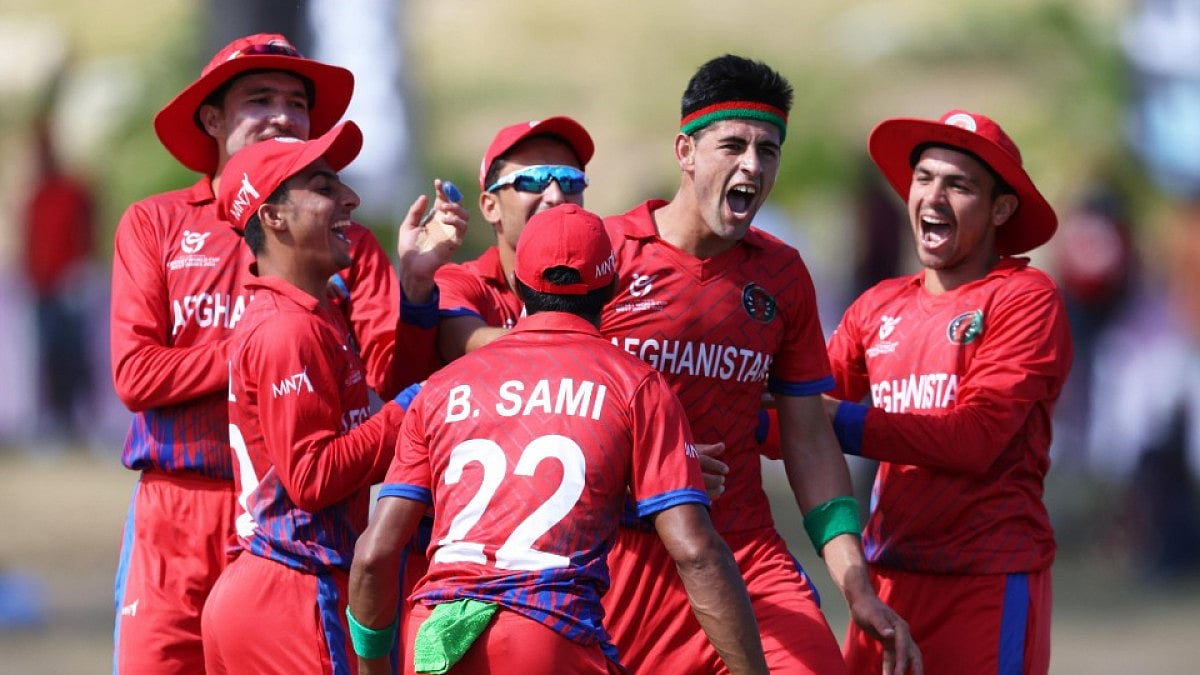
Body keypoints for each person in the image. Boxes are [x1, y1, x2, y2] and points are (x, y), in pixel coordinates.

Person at [109, 33, 463, 673]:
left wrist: (414, 289)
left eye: (296, 103)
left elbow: (388, 378)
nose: (282, 116)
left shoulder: (343, 242)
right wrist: (270, 353)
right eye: (259, 98)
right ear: (212, 118)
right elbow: (135, 375)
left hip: (299, 530)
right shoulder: (155, 222)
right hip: (181, 509)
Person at [598, 54, 920, 675]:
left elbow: (808, 439)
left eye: (768, 150)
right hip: (622, 563)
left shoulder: (782, 275)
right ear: (685, 151)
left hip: (743, 553)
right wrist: (649, 473)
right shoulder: (608, 256)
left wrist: (855, 583)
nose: (752, 164)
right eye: (733, 145)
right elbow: (550, 412)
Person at [347, 203, 768, 675]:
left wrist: (372, 667)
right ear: (610, 288)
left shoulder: (444, 386)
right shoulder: (635, 385)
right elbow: (695, 552)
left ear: (519, 287)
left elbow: (373, 555)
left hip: (436, 643)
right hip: (547, 632)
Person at [823, 109, 1072, 674]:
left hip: (986, 581)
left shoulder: (1026, 298)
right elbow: (793, 412)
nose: (933, 197)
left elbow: (975, 438)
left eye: (958, 185)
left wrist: (834, 420)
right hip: (887, 581)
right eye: (924, 178)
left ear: (1001, 209)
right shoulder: (877, 306)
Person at [199, 121, 406, 674]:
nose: (350, 198)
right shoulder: (288, 329)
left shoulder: (311, 313)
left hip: (269, 587)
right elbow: (312, 478)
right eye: (323, 186)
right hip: (293, 590)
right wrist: (413, 414)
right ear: (272, 217)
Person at [435, 115, 593, 361]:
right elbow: (461, 341)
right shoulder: (459, 281)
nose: (556, 195)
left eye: (569, 180)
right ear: (490, 206)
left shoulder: (607, 277)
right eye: (533, 180)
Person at [21, 115, 98, 446]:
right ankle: (54, 424)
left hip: (71, 287)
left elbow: (88, 232)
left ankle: (83, 423)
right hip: (42, 291)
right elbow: (29, 242)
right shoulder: (35, 196)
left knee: (76, 356)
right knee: (48, 357)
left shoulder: (74, 191)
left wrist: (83, 271)